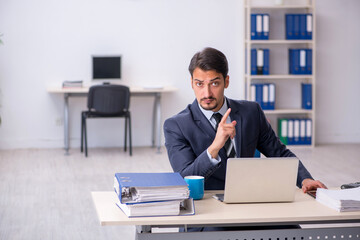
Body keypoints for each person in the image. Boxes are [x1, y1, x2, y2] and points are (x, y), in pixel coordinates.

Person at [164, 47, 326, 193]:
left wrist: (305, 179)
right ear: (192, 83)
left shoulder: (251, 112)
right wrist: (214, 147)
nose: (206, 93)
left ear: (226, 82)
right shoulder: (176, 126)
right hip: (208, 210)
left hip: (248, 199)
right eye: (199, 84)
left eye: (214, 83)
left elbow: (279, 153)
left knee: (291, 225)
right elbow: (185, 180)